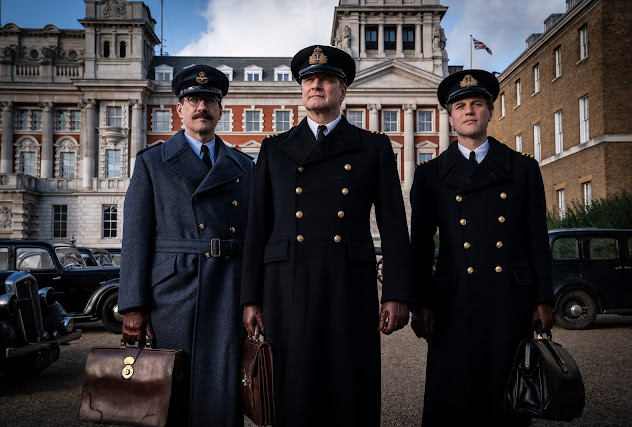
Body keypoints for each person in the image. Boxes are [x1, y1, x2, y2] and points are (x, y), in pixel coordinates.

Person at [241, 45, 414, 426]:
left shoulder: (374, 146)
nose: (315, 85)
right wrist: (250, 298)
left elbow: (394, 225)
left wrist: (398, 293)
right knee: (293, 387)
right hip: (286, 283)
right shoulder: (274, 149)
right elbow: (258, 228)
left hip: (348, 283)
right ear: (301, 90)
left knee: (347, 385)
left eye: (326, 79)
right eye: (308, 80)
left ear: (343, 90)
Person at [410, 69, 554, 426]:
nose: (469, 111)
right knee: (453, 397)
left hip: (509, 297)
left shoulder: (522, 169)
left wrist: (543, 299)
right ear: (450, 115)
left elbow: (537, 237)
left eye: (477, 104)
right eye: (460, 106)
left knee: (505, 394)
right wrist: (420, 303)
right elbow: (421, 245)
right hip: (453, 300)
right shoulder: (430, 175)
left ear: (490, 111)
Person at [118, 64, 255, 426]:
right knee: (169, 392)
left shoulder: (244, 165)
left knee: (222, 392)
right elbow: (135, 238)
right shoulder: (151, 162)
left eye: (210, 100)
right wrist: (133, 305)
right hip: (172, 294)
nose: (201, 107)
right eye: (193, 99)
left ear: (220, 109)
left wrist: (254, 297)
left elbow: (257, 238)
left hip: (227, 287)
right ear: (179, 109)